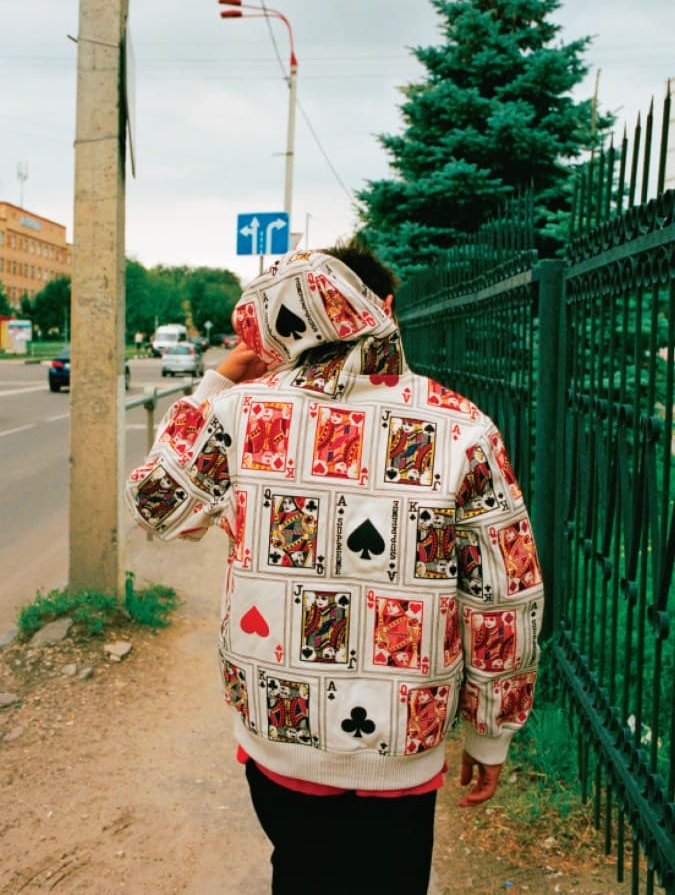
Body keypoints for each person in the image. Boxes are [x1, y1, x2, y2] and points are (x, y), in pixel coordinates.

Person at [125, 240, 543, 894]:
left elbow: (158, 502)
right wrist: (491, 735)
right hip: (403, 743)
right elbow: (502, 596)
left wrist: (223, 376)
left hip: (277, 731)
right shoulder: (461, 428)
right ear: (386, 307)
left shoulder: (240, 413)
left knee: (296, 871)